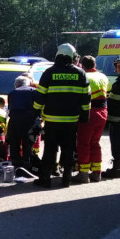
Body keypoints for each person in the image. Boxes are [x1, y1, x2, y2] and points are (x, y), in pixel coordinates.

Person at [32, 43, 91, 188]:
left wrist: (36, 112)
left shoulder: (49, 72)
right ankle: (66, 180)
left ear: (57, 55)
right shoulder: (80, 73)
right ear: (72, 57)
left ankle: (45, 179)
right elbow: (86, 97)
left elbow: (40, 95)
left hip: (52, 120)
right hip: (71, 120)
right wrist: (85, 115)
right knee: (68, 150)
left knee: (49, 150)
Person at [72, 56, 109, 183]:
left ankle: (83, 174)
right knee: (95, 143)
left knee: (83, 143)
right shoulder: (103, 76)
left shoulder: (84, 77)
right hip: (103, 112)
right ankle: (96, 172)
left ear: (82, 65)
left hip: (89, 112)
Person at [7, 75, 37, 167]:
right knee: (27, 141)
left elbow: (10, 108)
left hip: (15, 118)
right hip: (29, 118)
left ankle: (15, 161)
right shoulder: (33, 91)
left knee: (14, 140)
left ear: (16, 85)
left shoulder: (12, 92)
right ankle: (26, 161)